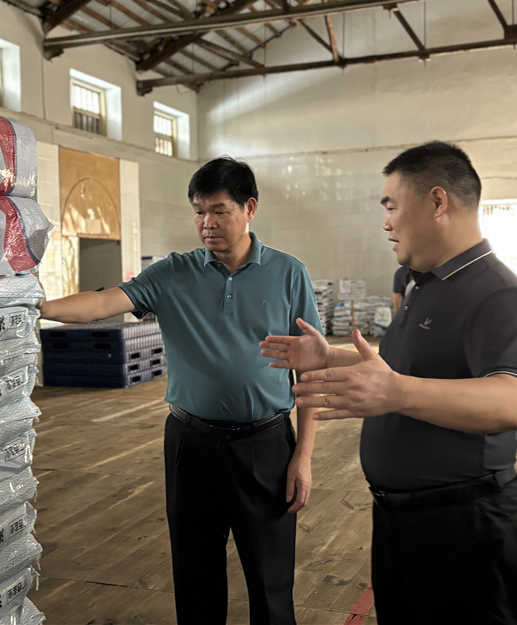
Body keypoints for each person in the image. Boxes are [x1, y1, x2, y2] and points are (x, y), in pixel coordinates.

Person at [260, 141, 517, 625]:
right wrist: (329, 356)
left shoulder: (495, 292)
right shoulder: (423, 283)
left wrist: (396, 394)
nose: (385, 222)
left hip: (465, 525)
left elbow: (509, 403)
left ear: (437, 202)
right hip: (404, 519)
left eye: (391, 206)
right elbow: (399, 367)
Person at [40, 157, 322, 625]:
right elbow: (102, 303)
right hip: (192, 446)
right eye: (198, 212)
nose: (207, 223)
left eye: (219, 211)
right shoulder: (172, 273)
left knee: (271, 583)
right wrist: (38, 306)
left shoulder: (289, 273)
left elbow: (309, 373)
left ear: (250, 208)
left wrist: (304, 456)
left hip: (266, 445)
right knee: (195, 578)